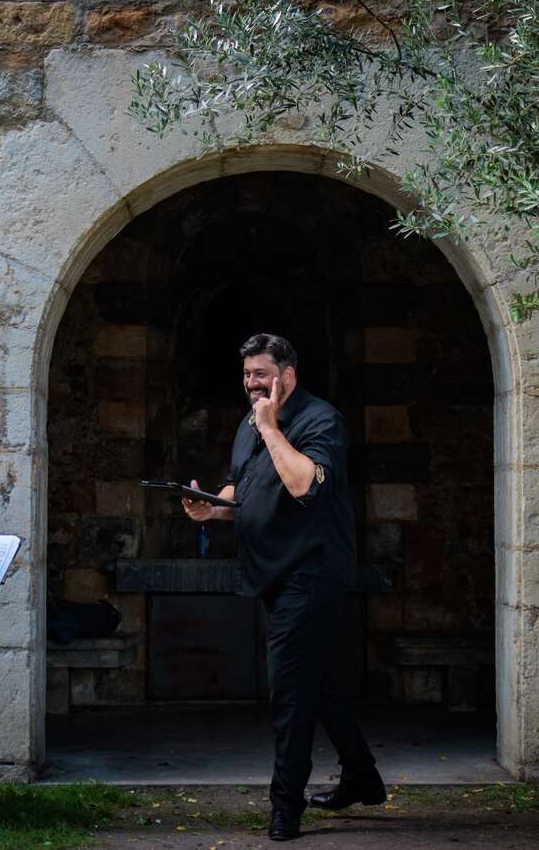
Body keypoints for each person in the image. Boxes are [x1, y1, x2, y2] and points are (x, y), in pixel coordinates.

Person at [182, 334, 385, 841]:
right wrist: (212, 506)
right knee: (314, 682)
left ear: (288, 374)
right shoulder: (248, 423)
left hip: (312, 572)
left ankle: (285, 808)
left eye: (262, 375)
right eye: (247, 375)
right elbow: (241, 489)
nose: (252, 384)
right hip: (270, 571)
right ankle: (362, 777)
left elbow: (304, 485)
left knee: (290, 692)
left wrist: (272, 428)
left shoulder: (321, 420)